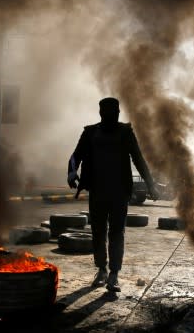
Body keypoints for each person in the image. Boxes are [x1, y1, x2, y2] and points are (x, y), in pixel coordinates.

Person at [67, 97, 158, 292]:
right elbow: (76, 155)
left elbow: (139, 159)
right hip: (98, 191)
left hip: (119, 192)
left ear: (117, 113)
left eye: (113, 112)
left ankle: (114, 274)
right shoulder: (91, 133)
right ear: (101, 113)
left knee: (116, 233)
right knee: (98, 232)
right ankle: (101, 270)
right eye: (106, 112)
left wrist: (151, 185)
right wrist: (72, 172)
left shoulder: (125, 133)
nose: (110, 115)